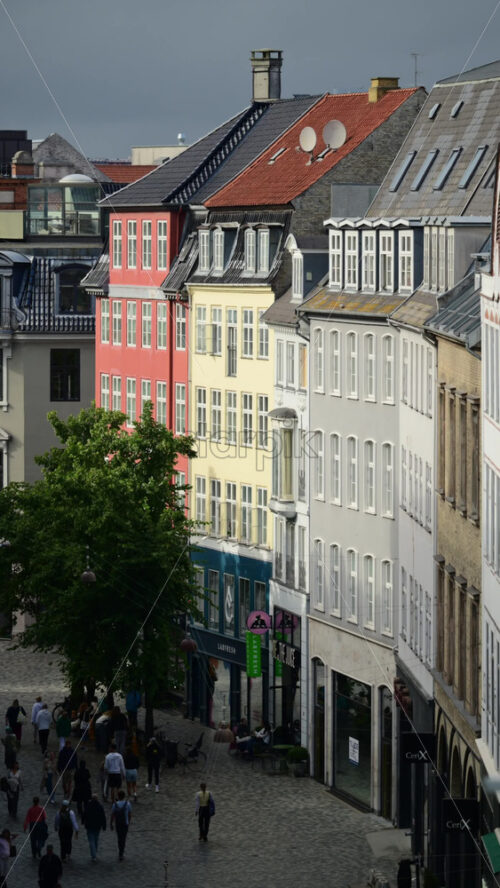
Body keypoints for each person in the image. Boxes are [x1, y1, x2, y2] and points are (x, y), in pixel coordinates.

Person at [82, 793, 106, 861]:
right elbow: (103, 816)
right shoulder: (100, 806)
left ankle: (93, 854)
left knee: (91, 841)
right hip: (97, 825)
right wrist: (104, 825)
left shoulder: (88, 805)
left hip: (89, 825)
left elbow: (84, 814)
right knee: (96, 839)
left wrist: (83, 821)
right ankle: (94, 852)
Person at [110, 789, 131, 861]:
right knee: (123, 838)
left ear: (118, 796)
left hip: (118, 823)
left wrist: (111, 823)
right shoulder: (127, 804)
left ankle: (120, 852)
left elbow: (112, 815)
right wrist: (129, 821)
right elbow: (129, 814)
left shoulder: (115, 804)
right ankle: (122, 852)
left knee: (119, 838)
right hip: (125, 823)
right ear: (124, 796)